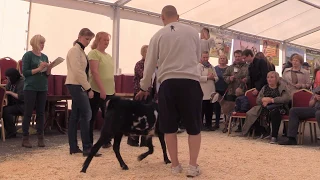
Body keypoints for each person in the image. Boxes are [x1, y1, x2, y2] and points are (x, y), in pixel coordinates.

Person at [135, 5, 202, 178]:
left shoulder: (158, 35)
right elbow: (197, 57)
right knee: (194, 127)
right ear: (178, 16)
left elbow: (149, 65)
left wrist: (144, 87)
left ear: (162, 17)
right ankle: (193, 166)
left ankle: (175, 165)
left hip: (168, 83)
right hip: (190, 82)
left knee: (169, 127)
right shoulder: (193, 32)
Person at [65, 28, 96, 156]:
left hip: (78, 84)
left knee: (75, 117)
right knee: (87, 114)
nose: (88, 41)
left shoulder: (81, 52)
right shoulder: (74, 51)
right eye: (86, 38)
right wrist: (88, 88)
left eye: (89, 39)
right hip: (76, 84)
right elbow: (78, 71)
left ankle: (73, 147)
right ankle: (87, 148)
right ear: (79, 37)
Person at [242, 71, 290, 143]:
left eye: (272, 77)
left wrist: (271, 100)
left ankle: (274, 136)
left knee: (275, 112)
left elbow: (286, 98)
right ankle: (263, 132)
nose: (269, 79)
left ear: (276, 79)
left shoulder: (282, 87)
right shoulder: (264, 87)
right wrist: (263, 99)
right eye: (268, 77)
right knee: (252, 113)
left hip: (279, 107)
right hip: (265, 107)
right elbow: (258, 100)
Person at [21, 34, 51, 148]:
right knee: (28, 112)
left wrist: (49, 68)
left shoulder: (45, 56)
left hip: (43, 87)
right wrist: (39, 68)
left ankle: (40, 137)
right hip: (30, 87)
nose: (43, 45)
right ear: (35, 43)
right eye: (41, 43)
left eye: (44, 43)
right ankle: (25, 138)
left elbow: (47, 75)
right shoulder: (28, 55)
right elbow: (25, 72)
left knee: (41, 113)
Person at [88, 31, 115, 149]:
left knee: (109, 117)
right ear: (98, 40)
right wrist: (102, 89)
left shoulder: (108, 56)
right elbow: (94, 72)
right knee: (92, 117)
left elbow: (109, 74)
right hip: (97, 90)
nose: (106, 42)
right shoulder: (94, 53)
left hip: (110, 91)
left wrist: (112, 90)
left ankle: (106, 140)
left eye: (108, 40)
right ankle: (88, 143)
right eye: (104, 40)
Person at [127, 45, 150, 147]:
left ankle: (145, 141)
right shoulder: (139, 64)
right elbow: (144, 76)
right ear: (143, 53)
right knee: (137, 116)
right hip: (139, 92)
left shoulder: (152, 65)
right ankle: (133, 140)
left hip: (149, 93)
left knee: (148, 117)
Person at [222, 50, 249, 133]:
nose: (237, 58)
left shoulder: (247, 67)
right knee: (229, 110)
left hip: (242, 91)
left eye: (239, 56)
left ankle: (241, 127)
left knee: (241, 109)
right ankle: (227, 126)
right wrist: (229, 78)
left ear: (242, 57)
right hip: (231, 91)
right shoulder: (230, 67)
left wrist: (246, 79)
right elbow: (224, 77)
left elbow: (250, 76)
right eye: (236, 56)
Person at [198, 51, 218, 131]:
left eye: (207, 57)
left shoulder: (212, 67)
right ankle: (200, 125)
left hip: (211, 91)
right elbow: (197, 77)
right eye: (204, 57)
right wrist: (207, 77)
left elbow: (217, 77)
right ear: (201, 58)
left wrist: (213, 78)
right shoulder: (198, 66)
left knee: (210, 110)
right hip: (202, 91)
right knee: (201, 110)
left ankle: (209, 125)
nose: (206, 59)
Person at [3, 68, 24, 139]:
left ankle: (11, 133)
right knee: (3, 109)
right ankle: (7, 131)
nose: (7, 79)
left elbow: (21, 97)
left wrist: (10, 93)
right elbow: (6, 90)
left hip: (23, 105)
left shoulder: (22, 82)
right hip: (15, 104)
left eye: (8, 77)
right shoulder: (11, 83)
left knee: (6, 111)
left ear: (13, 77)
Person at [213, 54, 228, 130]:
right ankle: (217, 123)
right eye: (221, 58)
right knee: (217, 107)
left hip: (226, 90)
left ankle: (226, 124)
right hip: (217, 89)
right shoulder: (215, 68)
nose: (222, 59)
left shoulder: (229, 68)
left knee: (226, 108)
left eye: (224, 58)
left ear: (226, 59)